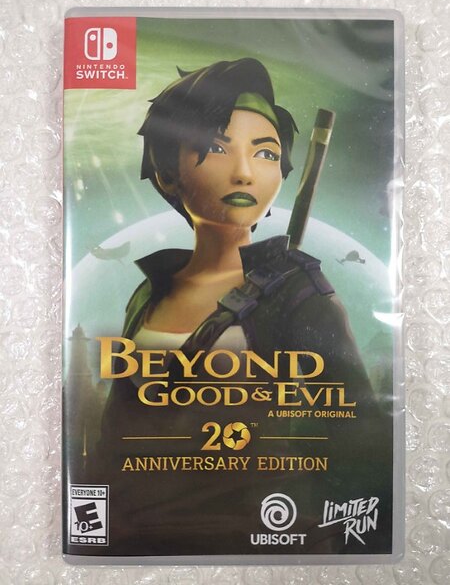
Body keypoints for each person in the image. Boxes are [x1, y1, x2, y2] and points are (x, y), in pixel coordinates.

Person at [94, 58, 392, 556]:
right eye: (216, 147)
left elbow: (361, 435)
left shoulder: (297, 294)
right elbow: (115, 432)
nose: (244, 172)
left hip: (260, 535)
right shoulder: (149, 292)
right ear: (167, 174)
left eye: (266, 153)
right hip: (134, 539)